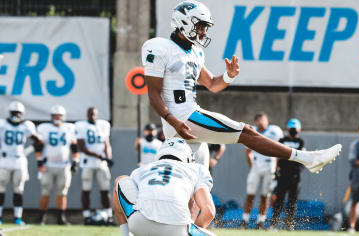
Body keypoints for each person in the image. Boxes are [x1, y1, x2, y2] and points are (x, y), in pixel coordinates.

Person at [142, 0, 342, 176]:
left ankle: (191, 221)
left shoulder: (195, 53)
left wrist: (229, 75)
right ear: (183, 22)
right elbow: (153, 93)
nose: (203, 32)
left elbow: (212, 84)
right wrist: (173, 121)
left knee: (199, 184)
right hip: (182, 116)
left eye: (205, 27)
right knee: (245, 132)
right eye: (200, 26)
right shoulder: (159, 47)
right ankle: (307, 158)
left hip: (186, 118)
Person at [113, 137, 216, 236]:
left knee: (120, 180)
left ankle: (126, 234)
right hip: (178, 229)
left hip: (140, 224)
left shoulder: (140, 170)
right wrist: (192, 231)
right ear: (188, 157)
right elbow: (209, 212)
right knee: (194, 193)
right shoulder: (197, 169)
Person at [35, 105, 79, 225]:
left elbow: (74, 147)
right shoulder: (45, 128)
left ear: (63, 117)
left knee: (62, 193)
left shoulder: (69, 128)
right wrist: (39, 163)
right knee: (45, 192)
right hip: (48, 165)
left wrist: (75, 162)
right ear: (51, 117)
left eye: (59, 115)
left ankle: (61, 218)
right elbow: (38, 146)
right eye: (54, 115)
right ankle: (41, 218)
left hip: (64, 166)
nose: (57, 118)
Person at [0, 101, 42, 225]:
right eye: (14, 112)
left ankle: (17, 217)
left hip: (19, 160)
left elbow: (38, 141)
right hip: (4, 160)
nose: (16, 115)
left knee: (18, 190)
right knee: (0, 190)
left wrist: (27, 151)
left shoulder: (26, 126)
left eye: (18, 113)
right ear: (9, 113)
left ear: (22, 114)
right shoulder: (2, 124)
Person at [240, 112, 283, 229]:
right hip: (256, 167)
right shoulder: (252, 131)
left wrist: (276, 166)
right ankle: (245, 221)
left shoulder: (275, 131)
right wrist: (252, 165)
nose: (261, 122)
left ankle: (260, 222)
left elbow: (280, 150)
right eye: (259, 120)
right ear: (255, 122)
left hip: (269, 167)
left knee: (265, 196)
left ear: (267, 120)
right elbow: (247, 151)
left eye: (263, 119)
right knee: (250, 194)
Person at [75, 107, 114, 225]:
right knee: (86, 190)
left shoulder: (103, 125)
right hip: (88, 162)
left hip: (101, 163)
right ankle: (86, 216)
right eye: (90, 114)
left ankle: (109, 216)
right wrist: (100, 156)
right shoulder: (81, 126)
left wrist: (108, 158)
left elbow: (106, 143)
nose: (92, 116)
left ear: (97, 115)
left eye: (94, 114)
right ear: (87, 114)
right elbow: (81, 147)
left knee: (105, 190)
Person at [270, 118, 305, 231]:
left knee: (292, 201)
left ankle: (289, 224)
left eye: (295, 129)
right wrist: (275, 170)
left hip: (295, 175)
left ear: (299, 130)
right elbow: (277, 156)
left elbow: (302, 157)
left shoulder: (301, 142)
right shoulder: (282, 140)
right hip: (283, 174)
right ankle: (274, 224)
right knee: (279, 199)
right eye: (292, 129)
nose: (293, 131)